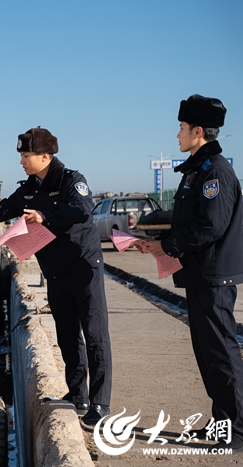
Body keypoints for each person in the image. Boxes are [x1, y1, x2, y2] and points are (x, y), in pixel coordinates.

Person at [0, 127, 112, 424]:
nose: (21, 161)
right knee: (68, 335)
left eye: (26, 155)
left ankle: (100, 403)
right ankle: (78, 394)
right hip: (55, 271)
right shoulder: (29, 189)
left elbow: (82, 210)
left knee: (95, 334)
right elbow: (1, 209)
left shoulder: (72, 181)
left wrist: (45, 217)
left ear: (45, 156)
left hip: (83, 267)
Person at [136, 95, 243, 452]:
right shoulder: (197, 170)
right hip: (200, 275)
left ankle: (236, 430)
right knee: (208, 353)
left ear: (198, 131)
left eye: (181, 128)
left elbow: (210, 226)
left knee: (221, 353)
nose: (177, 134)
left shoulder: (214, 171)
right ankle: (222, 424)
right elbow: (191, 223)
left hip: (214, 276)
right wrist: (160, 242)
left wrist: (170, 246)